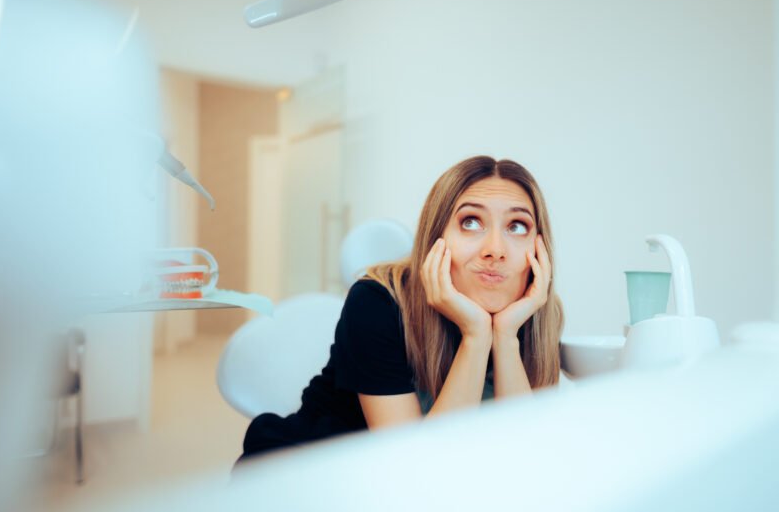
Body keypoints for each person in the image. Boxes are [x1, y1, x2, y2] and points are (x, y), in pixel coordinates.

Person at [238, 155, 563, 462]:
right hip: (312, 470)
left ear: (539, 245)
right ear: (436, 237)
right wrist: (476, 335)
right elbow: (414, 467)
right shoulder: (375, 302)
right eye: (471, 222)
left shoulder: (536, 313)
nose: (495, 249)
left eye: (517, 226)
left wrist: (506, 337)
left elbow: (519, 457)